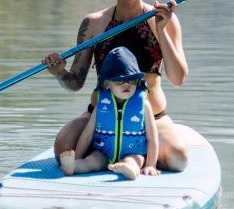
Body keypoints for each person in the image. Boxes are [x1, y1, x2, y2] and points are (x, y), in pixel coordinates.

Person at [43, 0, 189, 171]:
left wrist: (161, 30)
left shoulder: (163, 19)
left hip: (151, 119)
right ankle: (114, 154)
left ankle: (132, 155)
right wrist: (61, 73)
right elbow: (75, 83)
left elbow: (178, 78)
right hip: (101, 118)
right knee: (62, 148)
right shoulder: (93, 24)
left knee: (179, 159)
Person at [59, 46, 160, 180]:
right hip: (103, 152)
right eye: (119, 81)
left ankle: (129, 170)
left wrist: (151, 165)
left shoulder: (143, 105)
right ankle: (73, 166)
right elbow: (87, 135)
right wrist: (77, 156)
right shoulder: (102, 105)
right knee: (92, 161)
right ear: (107, 84)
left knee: (134, 161)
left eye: (131, 79)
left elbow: (152, 138)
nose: (126, 85)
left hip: (133, 152)